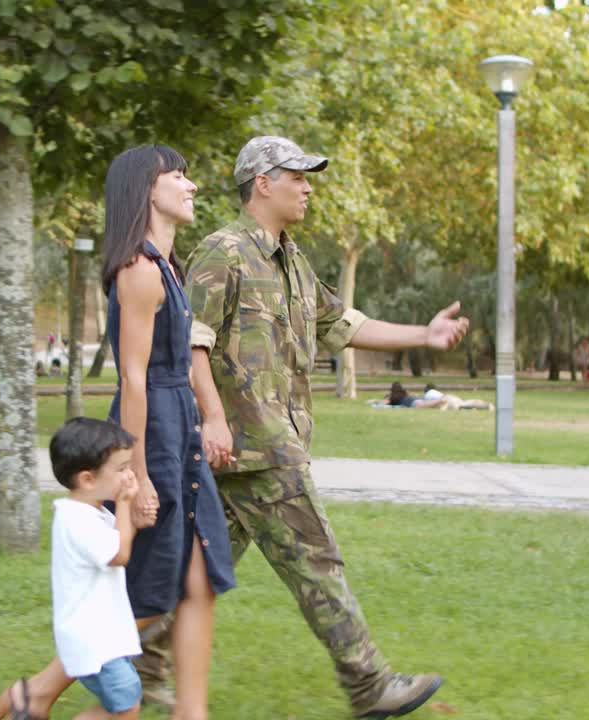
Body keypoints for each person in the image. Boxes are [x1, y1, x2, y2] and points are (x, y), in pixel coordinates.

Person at [137, 136, 469, 719]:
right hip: (250, 447)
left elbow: (343, 324)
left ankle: (129, 673)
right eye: (298, 176)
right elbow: (192, 344)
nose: (308, 186)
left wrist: (425, 335)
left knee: (191, 575)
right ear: (263, 183)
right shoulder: (224, 252)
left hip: (256, 451)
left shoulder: (292, 259)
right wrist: (213, 419)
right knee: (318, 563)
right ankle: (370, 686)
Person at [0, 145, 236, 720]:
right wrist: (135, 475)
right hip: (151, 433)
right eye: (179, 175)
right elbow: (133, 379)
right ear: (147, 190)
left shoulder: (166, 268)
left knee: (199, 574)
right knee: (151, 586)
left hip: (179, 430)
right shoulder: (141, 271)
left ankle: (190, 713)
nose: (191, 185)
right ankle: (41, 691)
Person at [0, 418, 142, 720]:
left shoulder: (87, 512)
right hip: (94, 639)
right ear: (87, 479)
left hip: (101, 636)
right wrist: (125, 506)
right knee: (126, 707)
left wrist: (135, 520)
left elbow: (117, 541)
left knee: (126, 705)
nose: (129, 475)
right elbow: (120, 554)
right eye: (122, 469)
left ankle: (21, 700)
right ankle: (23, 699)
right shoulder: (79, 521)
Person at [375, 382, 494, 411]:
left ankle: (442, 401)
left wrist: (376, 403)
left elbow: (382, 405)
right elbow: (416, 396)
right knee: (463, 403)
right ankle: (486, 405)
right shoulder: (405, 394)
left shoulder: (392, 398)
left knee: (426, 405)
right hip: (417, 400)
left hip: (413, 404)